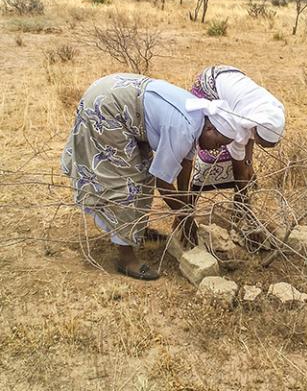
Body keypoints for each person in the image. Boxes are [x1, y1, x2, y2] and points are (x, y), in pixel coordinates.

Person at [61, 73, 241, 280]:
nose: (217, 149)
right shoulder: (184, 128)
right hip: (107, 108)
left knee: (143, 173)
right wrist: (184, 217)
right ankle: (126, 259)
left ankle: (134, 231)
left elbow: (185, 163)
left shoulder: (198, 117)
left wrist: (186, 207)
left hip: (119, 98)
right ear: (210, 128)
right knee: (126, 184)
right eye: (219, 143)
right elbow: (163, 182)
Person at [190, 65, 285, 212]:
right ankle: (188, 206)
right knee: (212, 155)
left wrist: (248, 163)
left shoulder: (271, 110)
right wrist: (242, 197)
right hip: (208, 88)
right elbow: (238, 159)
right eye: (259, 141)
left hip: (229, 77)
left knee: (242, 160)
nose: (257, 142)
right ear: (253, 127)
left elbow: (249, 137)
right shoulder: (241, 120)